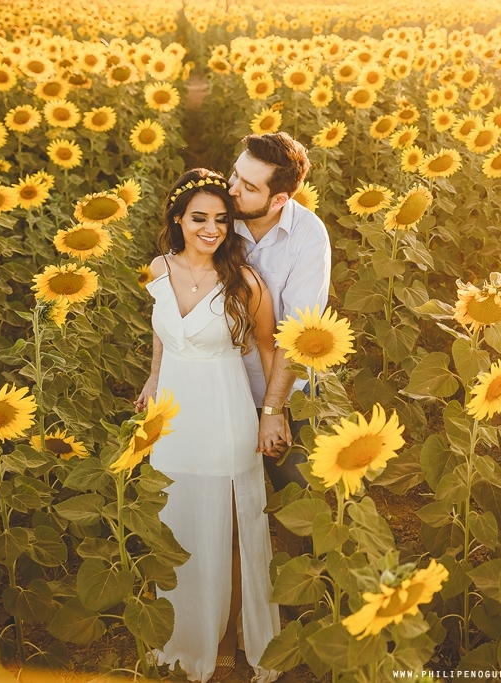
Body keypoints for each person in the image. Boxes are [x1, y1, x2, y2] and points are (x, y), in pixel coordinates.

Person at [136, 169, 281, 683]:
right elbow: (161, 334)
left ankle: (238, 634)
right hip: (172, 413)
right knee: (177, 519)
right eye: (200, 218)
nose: (212, 228)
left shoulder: (242, 280)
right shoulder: (159, 267)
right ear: (178, 219)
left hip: (223, 410)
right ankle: (186, 637)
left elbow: (270, 348)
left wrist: (273, 412)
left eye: (221, 219)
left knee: (233, 522)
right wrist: (153, 380)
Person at [227, 132, 331, 554]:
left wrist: (273, 410)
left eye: (249, 186)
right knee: (227, 504)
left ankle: (301, 600)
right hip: (223, 381)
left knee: (296, 497)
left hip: (283, 385)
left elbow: (296, 336)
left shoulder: (308, 237)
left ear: (278, 200)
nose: (232, 189)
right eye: (235, 175)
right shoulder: (217, 213)